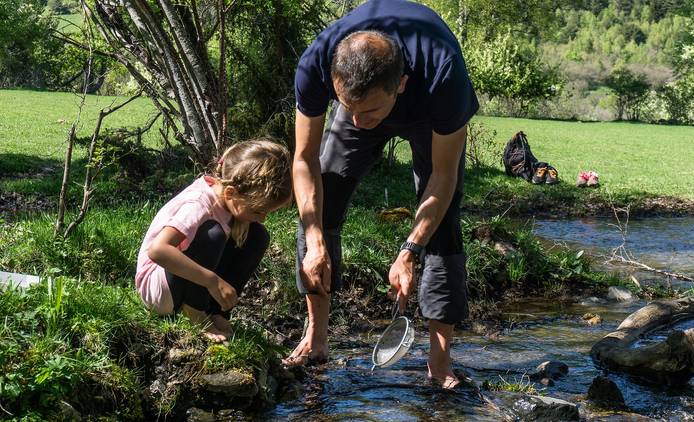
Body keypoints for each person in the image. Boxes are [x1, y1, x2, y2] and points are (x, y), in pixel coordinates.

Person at [287, 0, 479, 389]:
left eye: (369, 112)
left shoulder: (444, 75)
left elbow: (442, 179)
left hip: (428, 115)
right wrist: (314, 237)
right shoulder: (317, 61)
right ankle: (316, 337)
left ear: (401, 85)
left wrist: (410, 250)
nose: (359, 122)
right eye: (348, 107)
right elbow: (304, 159)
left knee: (443, 226)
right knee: (324, 198)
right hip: (369, 90)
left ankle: (439, 361)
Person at [135, 139, 292, 342]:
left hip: (185, 281)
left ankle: (216, 311)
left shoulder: (228, 201)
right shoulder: (199, 204)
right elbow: (158, 251)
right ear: (230, 193)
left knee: (257, 236)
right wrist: (212, 280)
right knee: (213, 234)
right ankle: (195, 312)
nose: (262, 218)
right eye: (258, 210)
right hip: (159, 288)